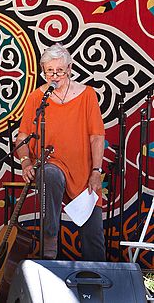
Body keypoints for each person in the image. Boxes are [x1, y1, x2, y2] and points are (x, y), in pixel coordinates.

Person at [15, 43, 105, 261]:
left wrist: (95, 171)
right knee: (52, 175)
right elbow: (22, 136)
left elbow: (97, 136)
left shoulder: (87, 95)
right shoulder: (38, 97)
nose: (54, 76)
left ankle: (98, 280)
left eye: (59, 71)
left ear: (70, 69)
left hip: (83, 171)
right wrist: (26, 162)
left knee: (93, 234)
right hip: (51, 165)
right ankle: (50, 249)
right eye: (49, 71)